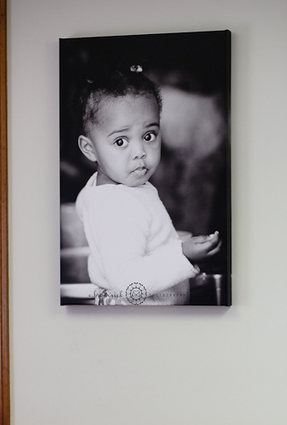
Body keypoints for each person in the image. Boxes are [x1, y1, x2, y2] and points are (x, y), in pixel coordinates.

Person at [75, 64, 221, 305]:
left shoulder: (101, 190)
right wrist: (182, 254)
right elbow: (126, 282)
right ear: (89, 149)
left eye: (149, 136)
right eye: (121, 141)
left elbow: (86, 206)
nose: (140, 152)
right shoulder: (118, 205)